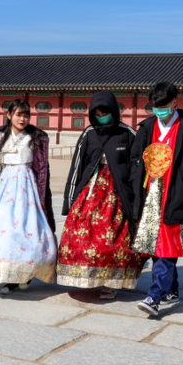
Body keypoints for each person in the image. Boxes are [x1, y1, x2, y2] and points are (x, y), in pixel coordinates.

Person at [131, 82, 183, 316]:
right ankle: (171, 288)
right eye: (155, 107)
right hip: (149, 195)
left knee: (165, 246)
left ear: (175, 102)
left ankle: (154, 296)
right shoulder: (146, 128)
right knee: (155, 246)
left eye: (164, 106)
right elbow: (135, 158)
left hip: (173, 195)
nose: (159, 111)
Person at [57, 91, 143, 299]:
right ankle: (89, 277)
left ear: (114, 111)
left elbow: (137, 167)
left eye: (106, 112)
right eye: (97, 113)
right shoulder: (89, 133)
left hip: (117, 193)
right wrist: (69, 200)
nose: (102, 116)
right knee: (82, 235)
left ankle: (111, 283)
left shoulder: (128, 134)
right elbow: (77, 166)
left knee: (113, 238)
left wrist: (136, 200)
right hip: (90, 190)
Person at [0, 99, 57, 294]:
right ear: (9, 115)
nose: (23, 119)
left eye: (26, 115)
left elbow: (43, 168)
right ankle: (10, 276)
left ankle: (25, 274)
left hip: (28, 185)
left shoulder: (35, 137)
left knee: (27, 228)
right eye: (19, 114)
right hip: (4, 185)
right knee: (4, 229)